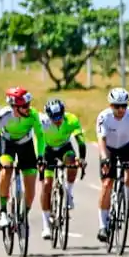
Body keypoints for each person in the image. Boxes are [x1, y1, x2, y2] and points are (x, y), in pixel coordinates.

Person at [0, 87, 46, 231]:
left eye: (29, 104)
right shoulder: (3, 116)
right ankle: (3, 212)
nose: (28, 108)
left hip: (26, 145)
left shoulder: (33, 115)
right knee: (6, 170)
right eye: (25, 106)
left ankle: (23, 216)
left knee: (31, 187)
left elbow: (40, 137)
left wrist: (40, 157)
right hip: (7, 144)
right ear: (15, 107)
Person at [95, 87, 129, 243]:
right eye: (117, 106)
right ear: (110, 105)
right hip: (108, 148)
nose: (120, 109)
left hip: (125, 147)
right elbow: (101, 140)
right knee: (107, 184)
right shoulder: (104, 117)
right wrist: (104, 159)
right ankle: (103, 226)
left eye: (124, 106)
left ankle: (126, 198)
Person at [38, 98, 88, 239]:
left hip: (64, 148)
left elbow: (80, 141)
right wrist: (40, 159)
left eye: (59, 117)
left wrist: (82, 158)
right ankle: (46, 225)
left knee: (72, 162)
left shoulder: (71, 120)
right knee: (47, 185)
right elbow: (39, 141)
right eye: (54, 118)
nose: (57, 121)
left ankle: (69, 192)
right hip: (48, 150)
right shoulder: (43, 122)